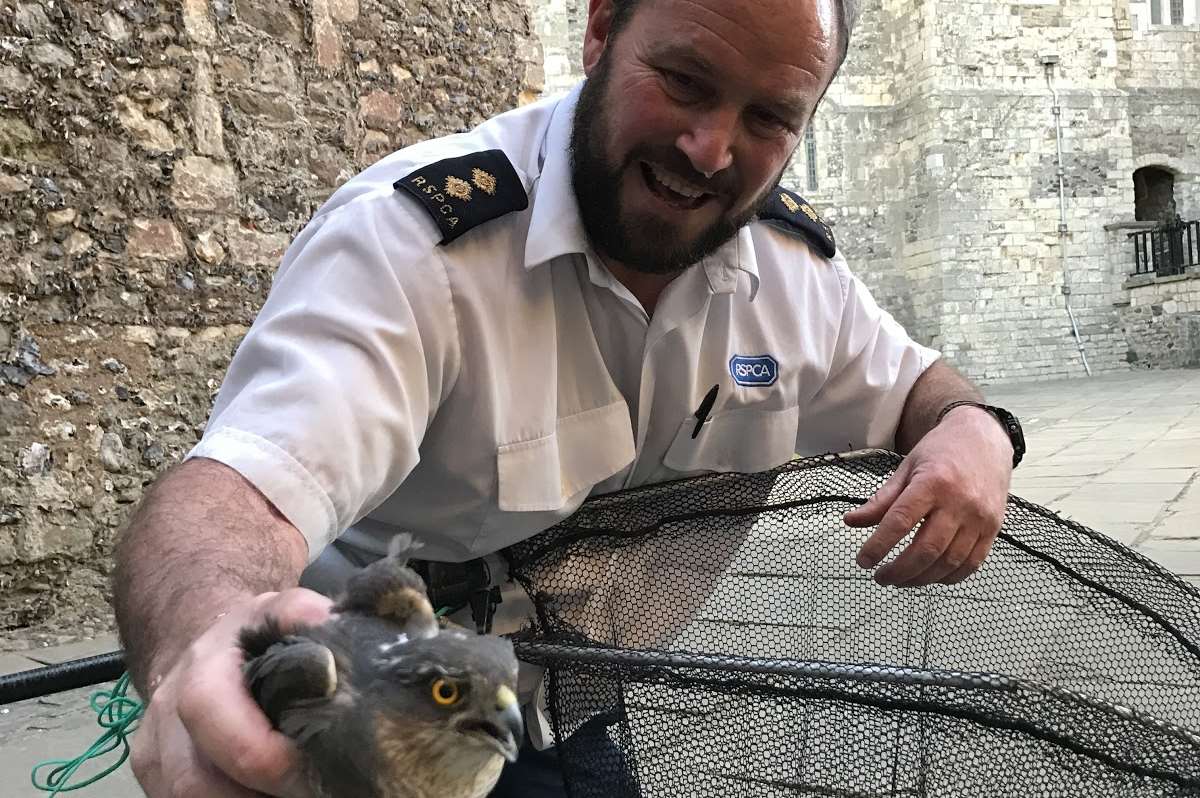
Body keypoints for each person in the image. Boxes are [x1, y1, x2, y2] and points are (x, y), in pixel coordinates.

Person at [113, 0, 1023, 795]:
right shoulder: (414, 247)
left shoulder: (793, 274)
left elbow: (918, 388)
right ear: (599, 31)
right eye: (683, 80)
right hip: (364, 740)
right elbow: (236, 493)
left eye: (770, 118)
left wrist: (978, 432)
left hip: (568, 713)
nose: (711, 149)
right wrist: (203, 639)